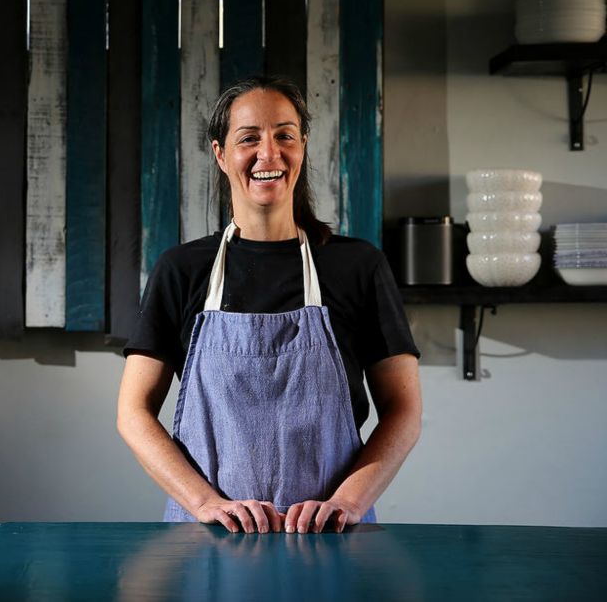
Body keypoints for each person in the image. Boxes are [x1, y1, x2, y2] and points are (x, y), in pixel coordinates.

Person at [117, 75, 422, 535]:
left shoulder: (357, 266)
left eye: (284, 135)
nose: (269, 154)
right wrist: (203, 502)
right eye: (249, 139)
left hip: (329, 537)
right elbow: (132, 412)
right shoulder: (182, 270)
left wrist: (346, 502)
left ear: (302, 146)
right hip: (208, 541)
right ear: (220, 154)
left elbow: (404, 409)